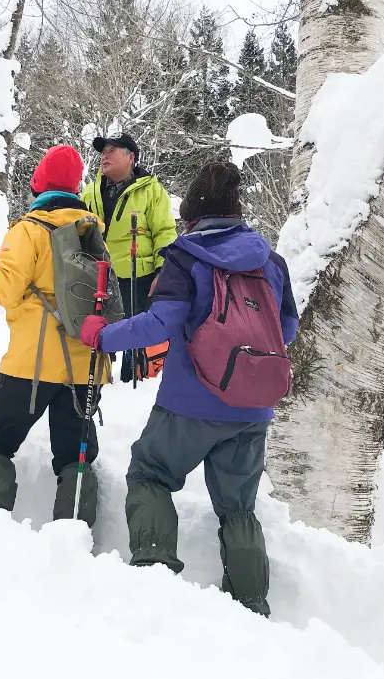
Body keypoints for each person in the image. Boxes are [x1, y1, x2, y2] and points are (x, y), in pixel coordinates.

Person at [79, 162, 298, 616]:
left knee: (150, 473)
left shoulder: (185, 256)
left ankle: (154, 578)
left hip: (190, 403)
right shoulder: (271, 260)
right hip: (253, 406)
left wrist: (104, 336)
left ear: (192, 214)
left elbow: (163, 322)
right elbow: (288, 329)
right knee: (238, 508)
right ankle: (251, 606)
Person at [0, 145, 109, 525]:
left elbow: (5, 289)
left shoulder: (29, 230)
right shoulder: (93, 231)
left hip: (31, 364)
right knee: (76, 455)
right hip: (85, 362)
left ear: (38, 185)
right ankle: (74, 535)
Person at [80, 133, 177, 381]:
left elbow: (165, 232)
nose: (105, 155)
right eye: (103, 151)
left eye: (112, 150)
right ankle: (101, 379)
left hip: (138, 277)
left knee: (136, 335)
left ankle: (133, 380)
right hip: (98, 276)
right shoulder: (90, 192)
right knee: (100, 330)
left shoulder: (151, 191)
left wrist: (162, 273)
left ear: (130, 157)